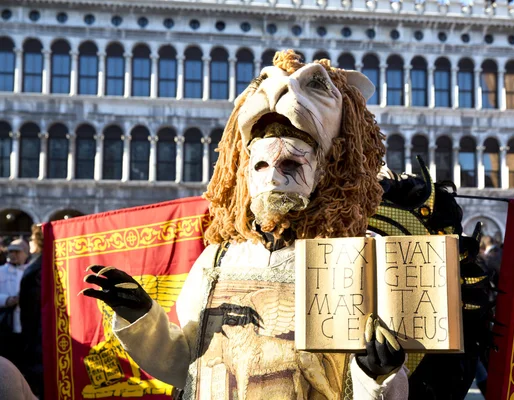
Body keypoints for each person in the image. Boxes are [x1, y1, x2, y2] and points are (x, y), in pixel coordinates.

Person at [83, 50, 409, 399]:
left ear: (325, 169)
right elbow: (185, 364)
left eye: (290, 165)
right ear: (244, 169)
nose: (274, 179)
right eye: (261, 166)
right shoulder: (219, 260)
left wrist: (376, 373)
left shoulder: (362, 257)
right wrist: (142, 317)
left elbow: (376, 377)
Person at [19, 224, 44, 398]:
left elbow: (30, 306)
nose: (30, 242)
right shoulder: (41, 264)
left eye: (32, 238)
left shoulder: (37, 269)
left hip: (37, 331)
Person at [0, 238, 30, 367]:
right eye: (11, 251)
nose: (13, 255)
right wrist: (6, 300)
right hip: (6, 321)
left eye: (17, 252)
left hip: (26, 321)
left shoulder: (30, 271)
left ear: (26, 253)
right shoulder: (1, 271)